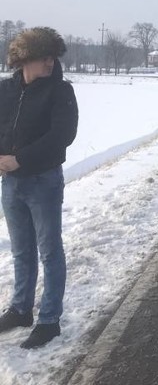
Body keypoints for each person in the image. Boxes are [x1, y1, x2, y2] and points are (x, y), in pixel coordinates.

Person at [0, 28, 78, 349]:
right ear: (26, 59)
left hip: (43, 181)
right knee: (21, 250)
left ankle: (49, 320)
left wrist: (20, 159)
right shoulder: (5, 89)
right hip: (11, 182)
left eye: (53, 57)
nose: (50, 63)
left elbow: (62, 136)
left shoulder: (60, 92)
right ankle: (21, 310)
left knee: (49, 251)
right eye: (45, 57)